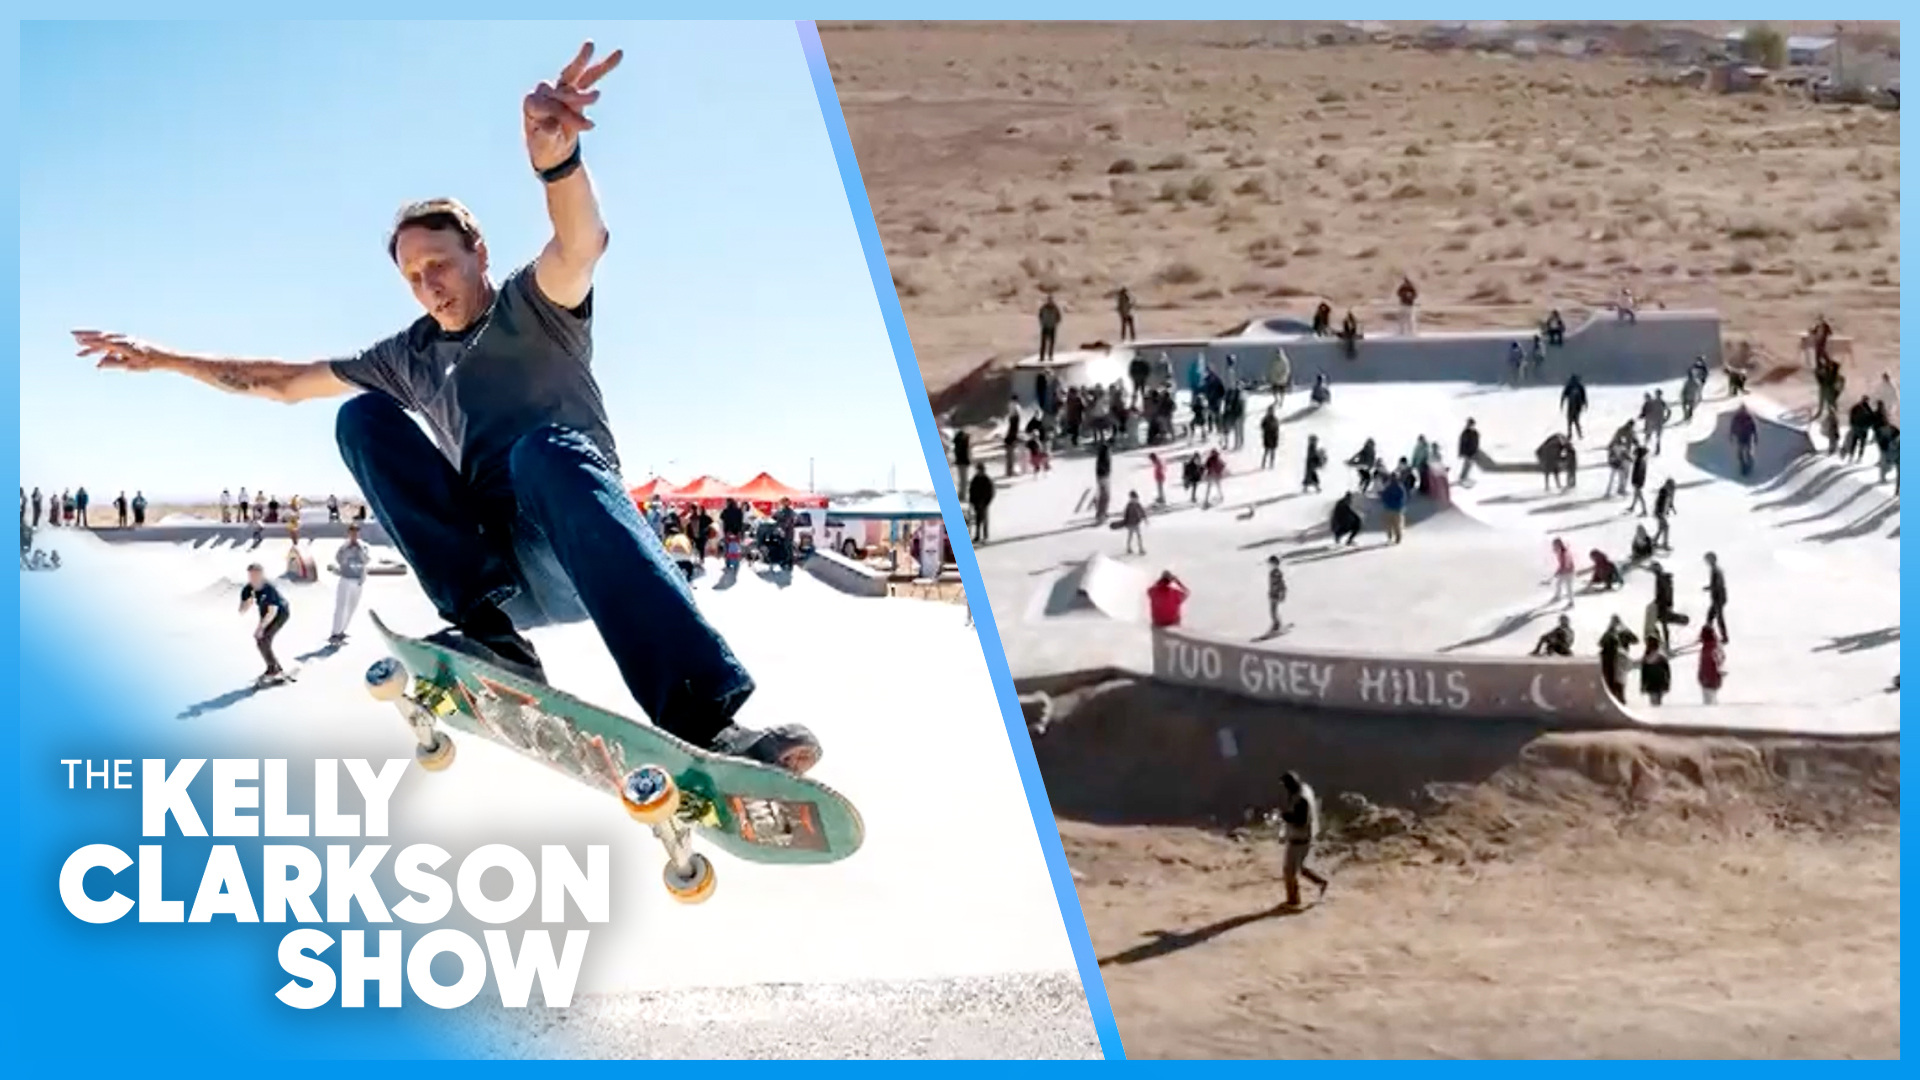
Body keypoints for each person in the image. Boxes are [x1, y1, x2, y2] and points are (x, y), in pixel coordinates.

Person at [78, 43, 817, 773]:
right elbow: (281, 383)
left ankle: (706, 722)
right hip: (494, 569)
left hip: (582, 548)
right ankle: (495, 641)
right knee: (358, 416)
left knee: (542, 452)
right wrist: (166, 359)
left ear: (479, 252)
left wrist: (556, 162)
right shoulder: (408, 355)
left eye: (440, 264)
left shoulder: (539, 307)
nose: (429, 285)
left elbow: (580, 241)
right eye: (412, 276)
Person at [1275, 771, 1329, 908]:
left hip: (1299, 838)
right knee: (1303, 868)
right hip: (1306, 835)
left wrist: (1285, 816)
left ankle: (1293, 901)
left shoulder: (1301, 799)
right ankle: (1322, 882)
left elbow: (1301, 820)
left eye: (1286, 785)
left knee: (1289, 871)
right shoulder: (1305, 789)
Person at [239, 563, 291, 685]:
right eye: (251, 576)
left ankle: (273, 670)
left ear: (262, 575)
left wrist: (260, 627)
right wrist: (248, 601)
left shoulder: (269, 588)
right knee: (261, 641)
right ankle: (275, 667)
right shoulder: (248, 589)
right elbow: (241, 611)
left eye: (256, 575)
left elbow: (272, 612)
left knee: (264, 639)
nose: (253, 578)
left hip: (280, 613)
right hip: (265, 614)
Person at [330, 522, 370, 645]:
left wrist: (359, 549)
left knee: (352, 607)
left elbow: (366, 560)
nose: (354, 534)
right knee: (342, 606)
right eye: (352, 531)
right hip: (346, 579)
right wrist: (348, 551)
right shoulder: (344, 546)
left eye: (356, 531)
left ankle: (342, 631)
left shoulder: (363, 546)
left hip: (357, 580)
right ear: (349, 533)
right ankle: (335, 633)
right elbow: (338, 559)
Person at [1597, 616, 1638, 703]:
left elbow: (1635, 640)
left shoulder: (1620, 632)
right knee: (1615, 678)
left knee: (1618, 678)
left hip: (1618, 658)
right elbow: (1601, 643)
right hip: (1611, 659)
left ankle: (1618, 697)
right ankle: (1616, 698)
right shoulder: (1610, 633)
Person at [1703, 552, 1729, 643]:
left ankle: (1724, 637)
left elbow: (1718, 584)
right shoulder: (1716, 569)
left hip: (1718, 597)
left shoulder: (1716, 570)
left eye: (1707, 559)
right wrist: (1710, 587)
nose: (1706, 562)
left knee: (1718, 617)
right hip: (1718, 596)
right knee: (1710, 616)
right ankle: (1708, 635)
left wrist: (1710, 588)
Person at [1697, 624, 1726, 705]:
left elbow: (1718, 660)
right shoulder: (1713, 646)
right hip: (1711, 677)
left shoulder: (1710, 647)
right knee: (1710, 699)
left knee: (1708, 701)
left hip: (1709, 677)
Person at [967, 463, 995, 545]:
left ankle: (985, 535)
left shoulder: (987, 480)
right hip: (976, 502)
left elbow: (991, 492)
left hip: (984, 502)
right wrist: (971, 501)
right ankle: (977, 535)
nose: (979, 472)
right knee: (977, 520)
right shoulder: (975, 479)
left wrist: (987, 501)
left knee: (984, 519)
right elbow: (971, 490)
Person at [1638, 637, 1671, 706]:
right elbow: (1667, 672)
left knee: (1653, 703)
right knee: (1658, 703)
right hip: (1660, 682)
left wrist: (1643, 685)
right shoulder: (1662, 657)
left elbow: (1643, 674)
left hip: (1651, 683)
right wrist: (1667, 683)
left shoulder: (1646, 658)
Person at [1547, 537, 1575, 608]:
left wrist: (1558, 572)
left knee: (1568, 587)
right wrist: (1559, 572)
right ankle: (1558, 597)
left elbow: (1563, 565)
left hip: (1568, 571)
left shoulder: (1563, 553)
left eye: (1555, 545)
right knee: (1559, 584)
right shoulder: (1562, 551)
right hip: (1567, 570)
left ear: (1559, 544)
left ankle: (1570, 602)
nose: (1553, 546)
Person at [1266, 555, 1288, 636]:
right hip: (1272, 594)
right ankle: (1277, 624)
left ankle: (1277, 625)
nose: (1270, 565)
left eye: (1271, 563)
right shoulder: (1272, 572)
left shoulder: (1277, 573)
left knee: (1273, 612)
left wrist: (1282, 593)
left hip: (1275, 594)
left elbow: (1281, 584)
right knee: (1273, 612)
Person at [1121, 491, 1148, 556]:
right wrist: (1125, 522)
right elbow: (1125, 514)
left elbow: (1142, 511)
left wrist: (1145, 519)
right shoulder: (1129, 506)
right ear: (1131, 498)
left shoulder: (1138, 505)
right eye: (1133, 498)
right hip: (1130, 523)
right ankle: (1129, 548)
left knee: (1139, 536)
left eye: (1136, 498)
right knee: (1130, 536)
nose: (1135, 500)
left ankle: (1140, 549)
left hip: (1136, 523)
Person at [1037, 293, 1061, 362]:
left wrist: (1055, 323)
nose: (1050, 301)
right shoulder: (1043, 308)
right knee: (1043, 343)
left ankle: (1050, 356)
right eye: (1049, 299)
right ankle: (1042, 357)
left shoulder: (1055, 308)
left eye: (1051, 300)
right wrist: (1042, 323)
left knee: (1051, 343)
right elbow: (1040, 316)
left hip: (1052, 327)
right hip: (1045, 327)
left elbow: (1058, 317)